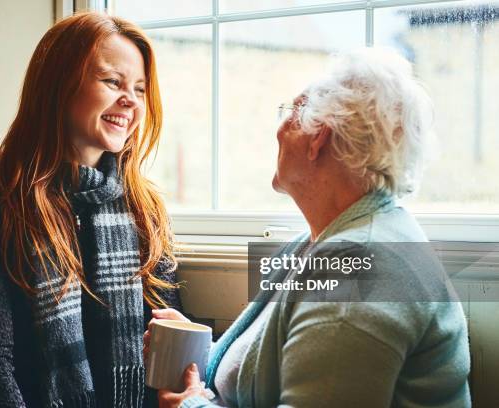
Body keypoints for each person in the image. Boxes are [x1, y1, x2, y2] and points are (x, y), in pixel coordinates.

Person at [145, 47, 471, 407]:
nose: (279, 130)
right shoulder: (323, 242)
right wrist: (197, 349)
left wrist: (190, 405)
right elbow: (275, 364)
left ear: (319, 137)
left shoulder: (357, 268)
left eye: (291, 112)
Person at [0, 11, 181, 408]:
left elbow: (168, 334)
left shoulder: (145, 207)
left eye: (139, 89)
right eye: (112, 82)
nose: (130, 101)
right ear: (58, 85)